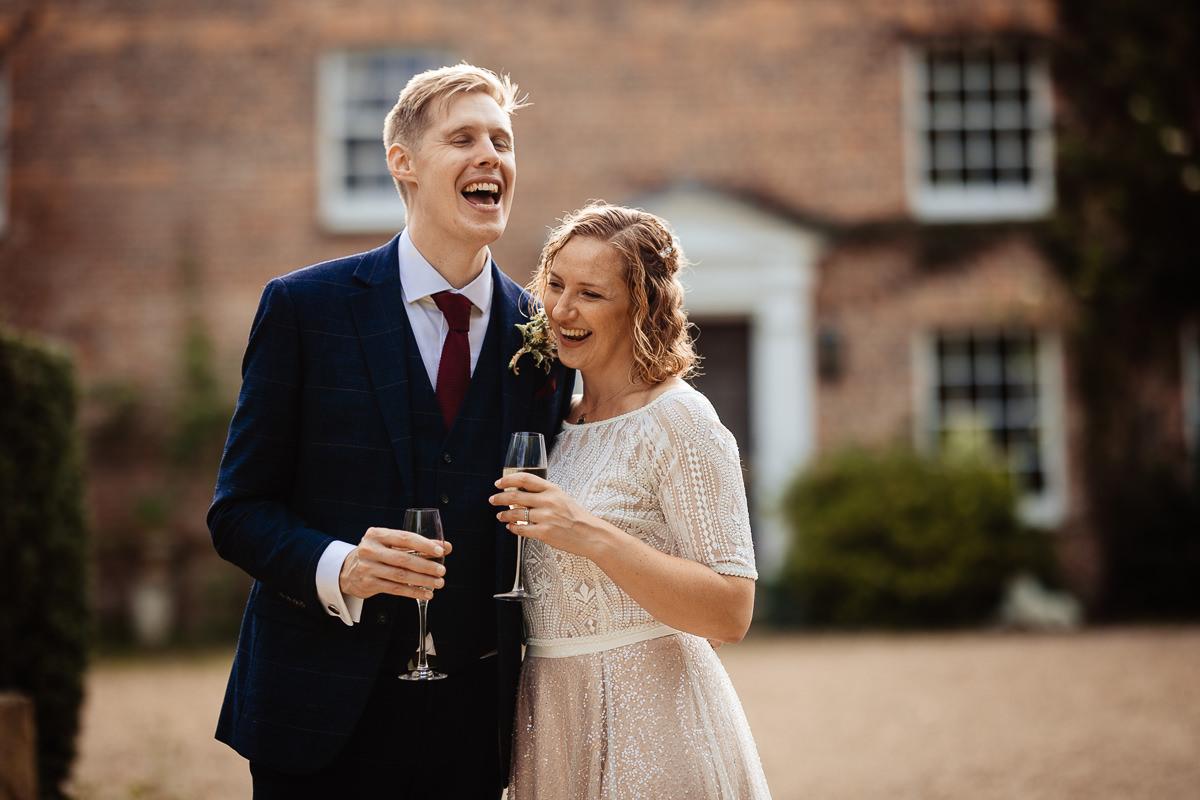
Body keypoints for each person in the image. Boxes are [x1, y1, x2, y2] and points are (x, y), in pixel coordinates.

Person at [207, 63, 572, 799]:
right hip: (313, 715)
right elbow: (238, 512)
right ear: (402, 162)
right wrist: (338, 566)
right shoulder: (303, 309)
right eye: (463, 137)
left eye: (502, 141)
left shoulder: (547, 340)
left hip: (478, 727)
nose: (490, 156)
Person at [488, 202, 772, 798]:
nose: (562, 309)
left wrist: (586, 532)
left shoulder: (680, 421)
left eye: (590, 293)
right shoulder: (553, 424)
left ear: (639, 308)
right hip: (551, 717)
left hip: (654, 725)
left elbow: (731, 610)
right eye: (556, 284)